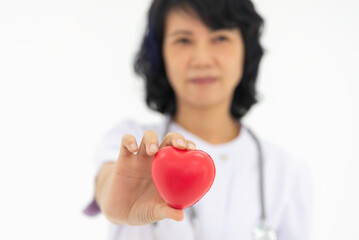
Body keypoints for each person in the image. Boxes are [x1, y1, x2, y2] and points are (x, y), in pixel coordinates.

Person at [84, 0, 312, 239]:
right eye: (183, 40)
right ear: (160, 53)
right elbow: (110, 184)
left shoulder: (287, 172)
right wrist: (114, 200)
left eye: (220, 38)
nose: (202, 59)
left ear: (245, 50)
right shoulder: (133, 146)